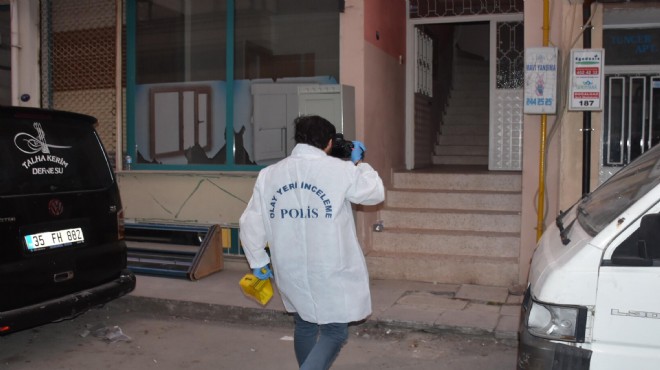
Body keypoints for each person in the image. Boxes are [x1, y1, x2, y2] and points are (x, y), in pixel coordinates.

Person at [239, 115, 385, 370]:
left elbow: (251, 222)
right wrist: (359, 163)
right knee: (335, 332)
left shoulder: (269, 174)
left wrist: (258, 261)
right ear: (329, 143)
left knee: (305, 323)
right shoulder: (341, 171)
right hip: (330, 267)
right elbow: (373, 193)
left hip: (289, 266)